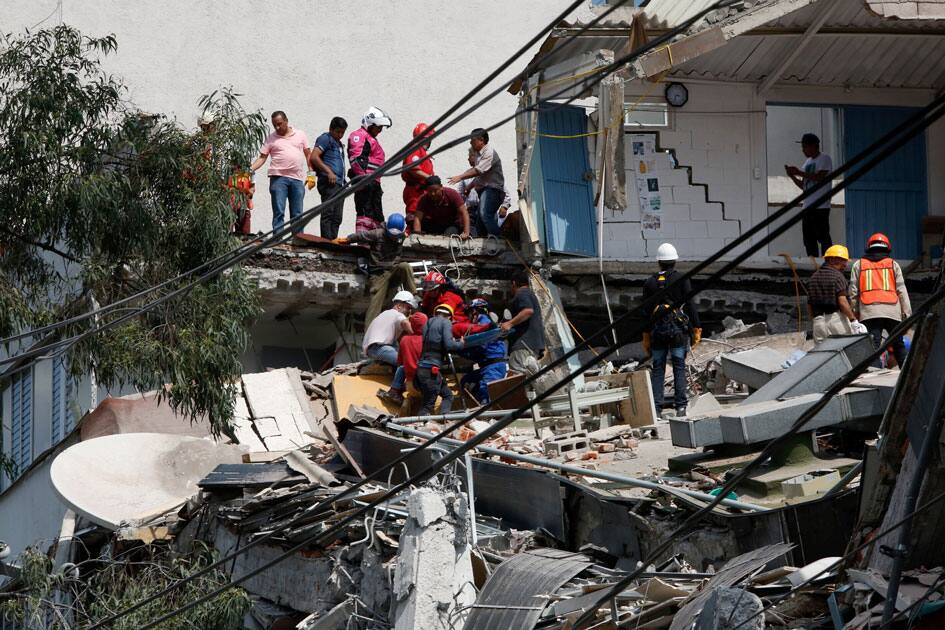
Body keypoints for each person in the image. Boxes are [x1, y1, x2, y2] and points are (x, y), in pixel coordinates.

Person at [641, 243, 702, 419]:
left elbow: (645, 312)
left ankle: (657, 409)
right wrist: (696, 328)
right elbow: (690, 305)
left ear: (658, 262)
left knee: (658, 368)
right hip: (677, 332)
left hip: (657, 332)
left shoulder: (649, 282)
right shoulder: (682, 279)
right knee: (678, 367)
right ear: (674, 261)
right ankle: (681, 408)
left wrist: (646, 336)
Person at [336, 213, 416, 327]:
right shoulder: (377, 234)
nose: (394, 237)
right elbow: (360, 236)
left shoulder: (402, 235)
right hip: (379, 274)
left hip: (393, 270)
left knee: (405, 266)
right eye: (391, 234)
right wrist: (346, 239)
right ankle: (369, 332)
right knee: (375, 303)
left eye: (396, 235)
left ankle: (413, 295)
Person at [849, 233, 912, 367]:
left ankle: (874, 378)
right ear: (887, 247)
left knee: (873, 347)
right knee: (898, 345)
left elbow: (853, 292)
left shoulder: (858, 265)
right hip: (892, 312)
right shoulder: (893, 264)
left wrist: (854, 312)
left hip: (869, 311)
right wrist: (907, 314)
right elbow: (902, 290)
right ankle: (907, 377)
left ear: (869, 247)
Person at [250, 111, 311, 234]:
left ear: (286, 121)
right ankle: (277, 241)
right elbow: (262, 157)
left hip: (297, 179)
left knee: (297, 213)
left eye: (279, 124)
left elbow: (308, 154)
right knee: (279, 212)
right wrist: (249, 169)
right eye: (275, 125)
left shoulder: (300, 135)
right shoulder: (271, 138)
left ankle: (298, 240)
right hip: (278, 179)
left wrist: (312, 173)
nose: (277, 127)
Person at [448, 128, 505, 236]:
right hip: (486, 190)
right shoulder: (479, 154)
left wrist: (460, 177)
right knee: (480, 222)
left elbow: (478, 171)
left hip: (492, 190)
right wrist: (469, 187)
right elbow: (480, 176)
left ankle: (499, 239)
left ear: (481, 140)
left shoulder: (489, 153)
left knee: (485, 214)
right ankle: (483, 242)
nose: (470, 143)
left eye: (472, 140)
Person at [786, 133, 833, 257]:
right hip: (807, 207)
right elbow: (804, 186)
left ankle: (826, 263)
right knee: (808, 240)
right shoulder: (807, 162)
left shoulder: (824, 159)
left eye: (805, 147)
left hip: (820, 207)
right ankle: (812, 263)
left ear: (814, 146)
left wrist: (799, 172)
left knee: (823, 238)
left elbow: (819, 177)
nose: (803, 150)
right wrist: (792, 176)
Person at [348, 107, 392, 233]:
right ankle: (363, 244)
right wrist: (364, 181)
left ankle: (374, 245)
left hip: (373, 183)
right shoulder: (359, 136)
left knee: (377, 217)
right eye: (378, 127)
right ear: (370, 124)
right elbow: (356, 159)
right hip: (366, 183)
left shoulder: (370, 138)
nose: (380, 131)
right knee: (365, 214)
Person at [416, 303, 466, 416]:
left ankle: (444, 418)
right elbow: (448, 345)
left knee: (448, 395)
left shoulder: (428, 322)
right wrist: (460, 344)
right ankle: (419, 426)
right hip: (431, 370)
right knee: (427, 405)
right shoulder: (446, 322)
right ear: (449, 316)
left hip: (422, 369)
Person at [807, 244, 862, 343]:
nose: (845, 264)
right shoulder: (838, 276)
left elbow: (810, 305)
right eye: (843, 260)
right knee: (843, 351)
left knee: (823, 356)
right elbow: (842, 302)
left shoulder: (813, 278)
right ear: (832, 259)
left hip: (818, 323)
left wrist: (816, 321)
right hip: (836, 321)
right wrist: (853, 320)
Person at [499, 270, 545, 384]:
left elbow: (528, 311)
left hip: (523, 344)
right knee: (529, 380)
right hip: (532, 344)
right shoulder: (530, 294)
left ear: (514, 283)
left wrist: (509, 324)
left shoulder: (522, 293)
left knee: (517, 380)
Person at [460, 298, 508, 404]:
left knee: (486, 392)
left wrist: (461, 350)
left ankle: (488, 413)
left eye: (468, 313)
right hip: (487, 365)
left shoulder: (483, 322)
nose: (468, 317)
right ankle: (482, 406)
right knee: (466, 381)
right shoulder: (486, 322)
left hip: (493, 366)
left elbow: (481, 347)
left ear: (474, 311)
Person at [377, 311, 428, 408]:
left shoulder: (405, 339)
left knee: (402, 367)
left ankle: (394, 390)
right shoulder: (428, 340)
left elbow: (400, 361)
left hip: (410, 384)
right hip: (425, 383)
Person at [309, 117, 348, 240]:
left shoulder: (339, 144)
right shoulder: (325, 139)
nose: (340, 135)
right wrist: (329, 171)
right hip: (329, 183)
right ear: (331, 129)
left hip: (340, 184)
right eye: (338, 132)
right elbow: (314, 157)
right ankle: (326, 242)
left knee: (337, 216)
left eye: (342, 132)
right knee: (328, 213)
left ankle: (333, 241)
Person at [361, 290, 417, 367]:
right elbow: (405, 323)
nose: (409, 311)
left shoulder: (385, 314)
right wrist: (417, 336)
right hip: (379, 348)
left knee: (403, 353)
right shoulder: (397, 314)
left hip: (373, 349)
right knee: (407, 363)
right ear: (399, 306)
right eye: (408, 307)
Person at [403, 122, 436, 227]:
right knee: (414, 216)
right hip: (416, 191)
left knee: (423, 218)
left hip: (421, 191)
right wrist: (430, 178)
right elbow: (413, 168)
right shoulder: (416, 149)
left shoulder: (421, 151)